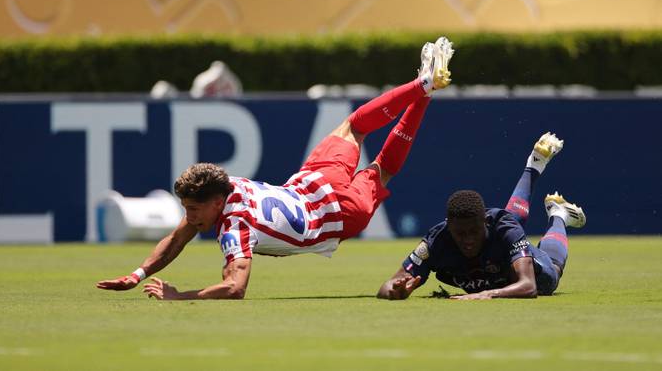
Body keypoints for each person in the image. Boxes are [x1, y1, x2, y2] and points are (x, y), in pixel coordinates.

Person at [97, 37, 456, 300]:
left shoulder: (234, 227)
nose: (189, 217)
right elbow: (177, 239)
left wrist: (180, 296)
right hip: (314, 183)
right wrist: (138, 274)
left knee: (382, 169)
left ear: (218, 202)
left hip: (340, 215)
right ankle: (422, 86)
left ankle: (425, 91)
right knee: (355, 127)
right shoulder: (225, 186)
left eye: (193, 209)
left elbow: (235, 288)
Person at [377, 132, 586, 300]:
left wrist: (486, 294)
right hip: (503, 237)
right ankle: (534, 165)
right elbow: (388, 286)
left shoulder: (501, 227)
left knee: (553, 269)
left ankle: (558, 215)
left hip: (537, 276)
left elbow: (528, 286)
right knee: (510, 221)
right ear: (449, 227)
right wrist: (394, 291)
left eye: (474, 232)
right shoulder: (436, 241)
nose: (468, 240)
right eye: (460, 234)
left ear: (484, 222)